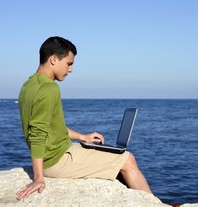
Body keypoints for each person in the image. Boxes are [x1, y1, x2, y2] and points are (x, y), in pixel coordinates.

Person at [16, 36, 152, 200]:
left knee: (108, 156)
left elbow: (49, 125)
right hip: (57, 161)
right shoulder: (49, 88)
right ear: (53, 59)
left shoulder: (28, 85)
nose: (71, 70)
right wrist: (38, 178)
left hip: (56, 155)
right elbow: (37, 133)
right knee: (127, 160)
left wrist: (82, 137)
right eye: (69, 63)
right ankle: (153, 204)